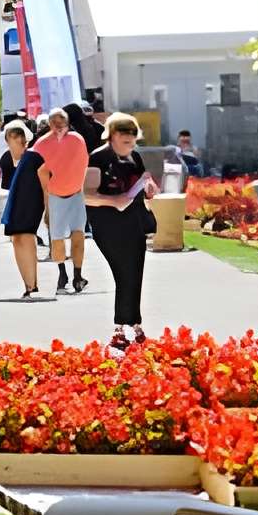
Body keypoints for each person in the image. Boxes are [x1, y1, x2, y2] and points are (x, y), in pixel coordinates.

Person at [82, 113, 160, 347]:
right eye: (126, 141)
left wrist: (149, 188)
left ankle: (134, 325)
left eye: (133, 141)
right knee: (123, 272)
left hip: (134, 221)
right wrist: (114, 201)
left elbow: (144, 182)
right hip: (108, 223)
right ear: (113, 136)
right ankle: (121, 327)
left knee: (135, 272)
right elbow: (87, 195)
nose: (130, 146)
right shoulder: (98, 158)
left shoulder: (134, 157)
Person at [33, 108, 93, 293]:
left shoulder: (77, 139)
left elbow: (83, 165)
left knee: (78, 235)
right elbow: (37, 171)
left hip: (76, 194)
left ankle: (77, 275)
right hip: (55, 196)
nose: (59, 125)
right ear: (49, 124)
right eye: (55, 122)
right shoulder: (41, 145)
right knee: (57, 238)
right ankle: (62, 273)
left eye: (62, 121)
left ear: (68, 123)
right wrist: (45, 203)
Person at [0, 120, 47, 298]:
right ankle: (27, 285)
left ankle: (33, 284)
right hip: (15, 205)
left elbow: (45, 184)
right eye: (10, 138)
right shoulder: (7, 159)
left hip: (31, 204)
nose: (13, 142)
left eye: (16, 138)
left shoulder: (34, 157)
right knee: (17, 240)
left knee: (27, 239)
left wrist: (48, 208)